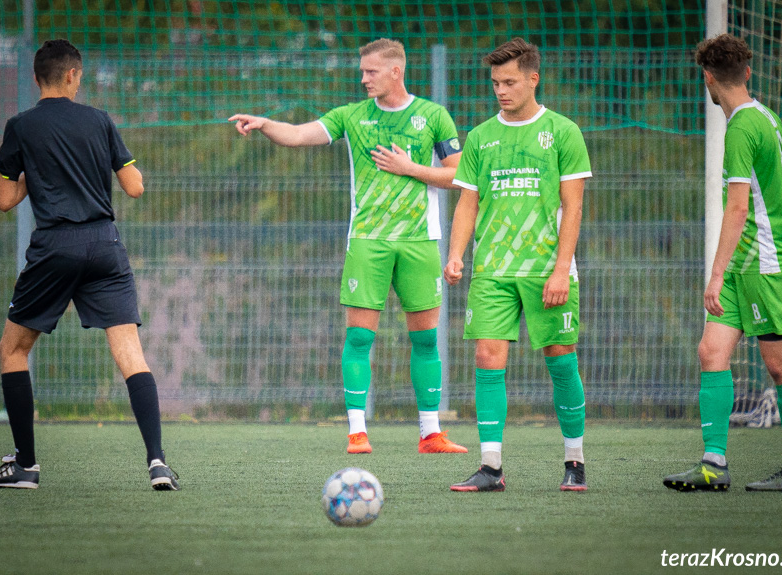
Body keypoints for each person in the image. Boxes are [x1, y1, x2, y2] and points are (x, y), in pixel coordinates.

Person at [229, 38, 467, 455]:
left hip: (419, 242)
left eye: (371, 71)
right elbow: (300, 134)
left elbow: (460, 176)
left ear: (396, 71)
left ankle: (431, 434)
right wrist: (266, 123)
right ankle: (357, 432)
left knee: (426, 341)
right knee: (359, 339)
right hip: (367, 242)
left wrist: (409, 168)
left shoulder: (433, 116)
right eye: (362, 71)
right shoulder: (351, 117)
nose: (363, 78)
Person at [0, 39, 179, 491]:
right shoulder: (100, 121)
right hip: (104, 245)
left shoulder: (20, 127)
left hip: (54, 247)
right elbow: (134, 188)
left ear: (36, 78)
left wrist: (35, 172)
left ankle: (25, 466)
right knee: (130, 354)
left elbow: (5, 200)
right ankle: (157, 463)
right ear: (73, 76)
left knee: (13, 350)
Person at [444, 38, 592, 492]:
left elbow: (574, 205)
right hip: (493, 270)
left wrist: (561, 268)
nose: (501, 91)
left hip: (546, 268)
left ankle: (575, 460)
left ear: (533, 78)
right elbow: (468, 203)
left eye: (509, 82)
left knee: (559, 358)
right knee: (487, 357)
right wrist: (455, 253)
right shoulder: (482, 137)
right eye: (495, 83)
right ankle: (491, 467)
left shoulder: (563, 132)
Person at [664, 34, 782, 492]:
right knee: (712, 353)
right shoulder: (767, 116)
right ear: (745, 72)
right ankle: (713, 464)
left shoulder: (744, 128)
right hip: (751, 266)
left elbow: (738, 208)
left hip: (762, 266)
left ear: (707, 78)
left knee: (780, 365)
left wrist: (718, 272)